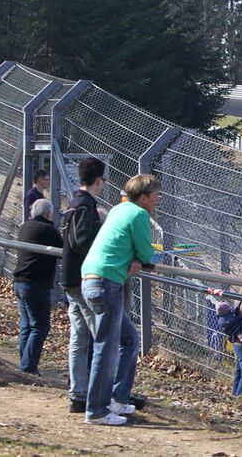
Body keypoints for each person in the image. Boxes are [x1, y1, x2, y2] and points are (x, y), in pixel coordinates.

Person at [81, 173, 159, 425]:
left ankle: (117, 398)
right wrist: (142, 260)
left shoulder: (118, 209)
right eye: (155, 195)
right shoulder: (139, 214)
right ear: (144, 196)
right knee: (106, 347)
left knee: (129, 338)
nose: (157, 199)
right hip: (107, 282)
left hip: (91, 278)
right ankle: (96, 410)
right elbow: (146, 252)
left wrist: (134, 258)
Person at [62, 157, 105, 413]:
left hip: (70, 277)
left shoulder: (73, 204)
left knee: (79, 338)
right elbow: (81, 240)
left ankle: (78, 393)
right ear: (98, 180)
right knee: (100, 335)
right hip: (82, 279)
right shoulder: (85, 205)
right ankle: (99, 394)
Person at [14, 198, 63, 375]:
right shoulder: (49, 230)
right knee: (40, 326)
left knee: (27, 325)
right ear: (49, 214)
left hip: (20, 282)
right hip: (37, 284)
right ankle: (27, 366)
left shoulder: (24, 227)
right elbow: (64, 252)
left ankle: (25, 363)